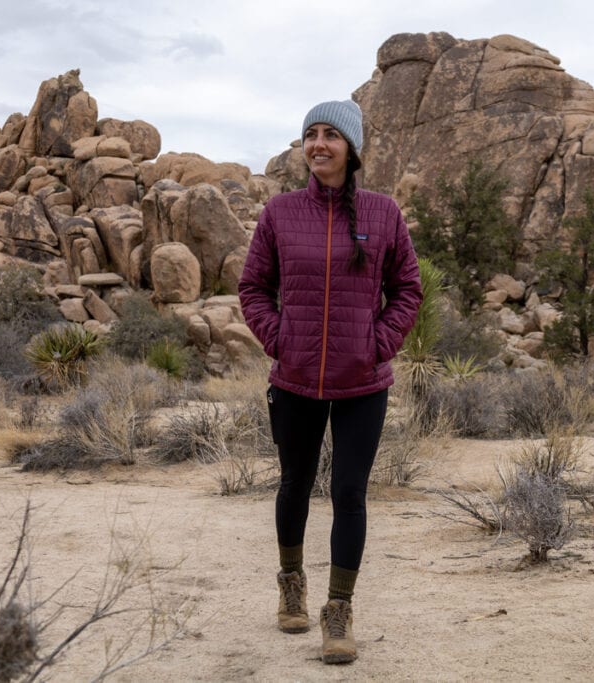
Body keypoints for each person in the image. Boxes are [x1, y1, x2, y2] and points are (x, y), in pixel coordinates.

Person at [238, 99, 422, 665]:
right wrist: (281, 340)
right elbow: (252, 288)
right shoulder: (280, 213)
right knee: (294, 483)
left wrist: (378, 344)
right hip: (294, 378)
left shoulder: (383, 213)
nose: (318, 144)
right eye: (309, 135)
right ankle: (291, 582)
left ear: (352, 147)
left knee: (348, 494)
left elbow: (408, 290)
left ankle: (338, 609)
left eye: (330, 135)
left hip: (362, 382)